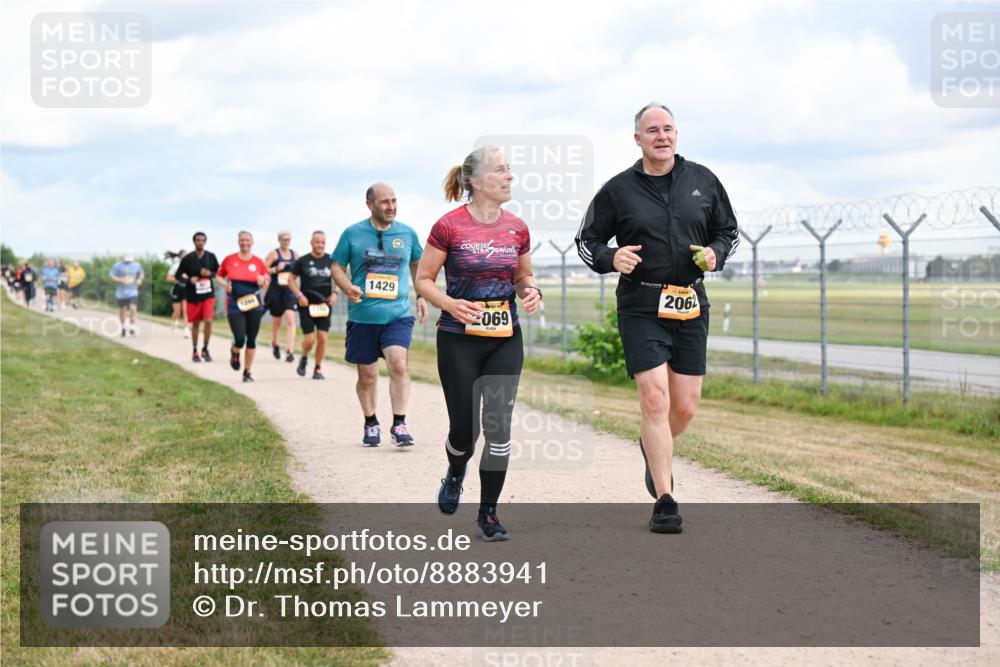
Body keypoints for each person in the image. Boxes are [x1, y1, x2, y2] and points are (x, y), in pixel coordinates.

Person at [575, 102, 739, 534]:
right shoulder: (618, 190)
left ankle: (654, 448)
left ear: (677, 134)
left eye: (668, 129)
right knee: (654, 399)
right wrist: (612, 256)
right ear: (638, 139)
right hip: (641, 304)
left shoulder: (703, 181)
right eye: (652, 130)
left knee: (685, 406)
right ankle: (665, 500)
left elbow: (729, 232)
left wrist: (715, 254)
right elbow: (586, 240)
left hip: (690, 302)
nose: (661, 136)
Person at [415, 146, 542, 542]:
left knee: (498, 426)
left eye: (510, 170)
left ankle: (488, 512)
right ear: (475, 181)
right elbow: (423, 279)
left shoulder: (517, 228)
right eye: (501, 171)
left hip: (505, 336)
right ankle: (455, 471)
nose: (509, 177)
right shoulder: (449, 226)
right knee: (465, 431)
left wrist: (531, 290)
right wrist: (450, 303)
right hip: (458, 339)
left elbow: (524, 276)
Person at [332, 182, 427, 448]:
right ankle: (370, 422)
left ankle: (399, 423)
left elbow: (418, 263)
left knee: (398, 363)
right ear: (370, 204)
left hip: (397, 314)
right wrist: (346, 286)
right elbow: (337, 267)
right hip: (363, 316)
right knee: (368, 375)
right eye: (385, 202)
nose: (391, 206)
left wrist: (420, 295)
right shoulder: (352, 234)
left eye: (394, 201)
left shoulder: (407, 234)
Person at [217, 231, 269, 382]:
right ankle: (234, 352)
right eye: (242, 240)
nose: (245, 242)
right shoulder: (229, 259)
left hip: (254, 303)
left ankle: (247, 372)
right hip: (235, 303)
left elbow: (265, 281)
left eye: (247, 240)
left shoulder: (258, 262)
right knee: (240, 338)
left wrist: (262, 281)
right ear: (238, 242)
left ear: (252, 242)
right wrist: (225, 285)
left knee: (251, 339)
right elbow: (219, 275)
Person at [288, 231, 338, 380]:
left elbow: (341, 278)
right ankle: (304, 357)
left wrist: (335, 292)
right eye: (317, 242)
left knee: (322, 337)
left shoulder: (331, 260)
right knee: (309, 339)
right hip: (306, 304)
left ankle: (317, 368)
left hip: (324, 304)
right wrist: (299, 295)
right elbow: (291, 280)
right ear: (311, 243)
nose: (320, 245)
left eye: (322, 242)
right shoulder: (303, 261)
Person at [177, 232, 220, 362]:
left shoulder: (211, 257)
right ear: (194, 242)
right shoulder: (188, 258)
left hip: (208, 294)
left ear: (205, 242)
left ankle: (205, 349)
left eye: (202, 240)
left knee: (208, 320)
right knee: (195, 323)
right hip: (193, 295)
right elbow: (178, 275)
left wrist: (210, 273)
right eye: (198, 240)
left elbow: (218, 272)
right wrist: (189, 280)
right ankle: (195, 350)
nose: (200, 242)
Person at [263, 231, 298, 363]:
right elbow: (264, 268)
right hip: (276, 292)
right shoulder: (274, 254)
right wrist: (276, 268)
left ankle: (290, 350)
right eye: (284, 239)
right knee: (277, 321)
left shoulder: (295, 255)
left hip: (290, 292)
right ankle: (275, 343)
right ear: (279, 240)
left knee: (290, 319)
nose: (286, 241)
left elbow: (301, 269)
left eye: (288, 239)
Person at [109, 252, 145, 336]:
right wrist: (120, 279)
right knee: (123, 310)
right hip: (121, 292)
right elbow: (111, 276)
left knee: (133, 308)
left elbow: (141, 274)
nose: (128, 262)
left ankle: (132, 325)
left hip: (133, 291)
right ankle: (124, 326)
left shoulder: (137, 265)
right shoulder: (117, 265)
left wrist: (140, 280)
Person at [165, 250, 189, 337]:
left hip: (187, 290)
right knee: (177, 311)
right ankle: (174, 321)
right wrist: (178, 279)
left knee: (185, 310)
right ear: (180, 257)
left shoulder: (190, 267)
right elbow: (168, 278)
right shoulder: (175, 266)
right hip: (177, 289)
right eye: (184, 256)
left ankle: (186, 330)